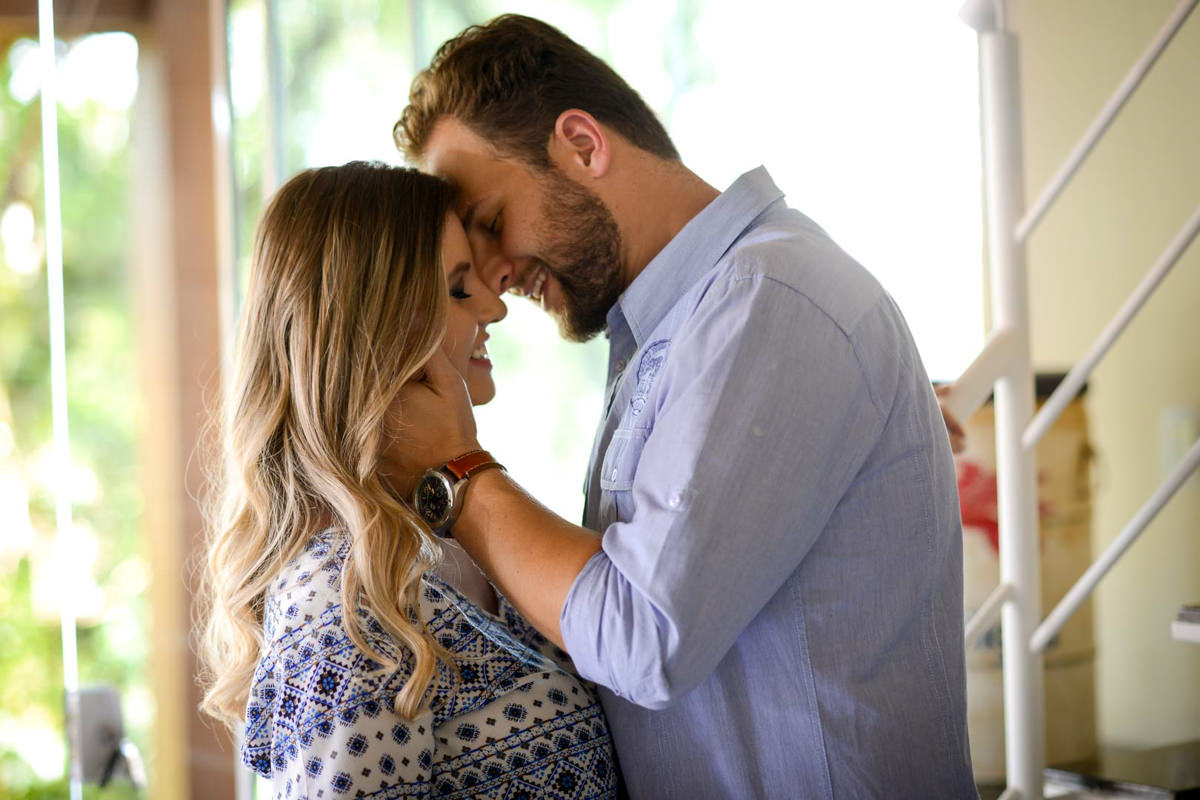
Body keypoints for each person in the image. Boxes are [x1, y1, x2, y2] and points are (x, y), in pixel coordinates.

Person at [388, 14, 977, 799]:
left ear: (583, 144)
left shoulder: (769, 300)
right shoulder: (685, 329)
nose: (492, 280)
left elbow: (642, 637)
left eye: (491, 222)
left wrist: (455, 472)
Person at [199, 162, 619, 799]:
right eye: (457, 290)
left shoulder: (450, 541)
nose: (496, 307)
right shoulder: (339, 608)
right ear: (374, 331)